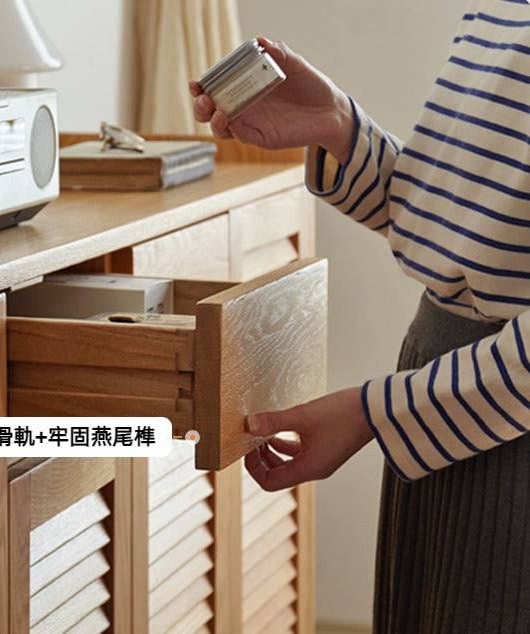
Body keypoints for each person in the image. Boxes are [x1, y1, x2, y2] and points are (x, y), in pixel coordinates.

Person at [191, 1, 528, 632]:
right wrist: (338, 128)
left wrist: (375, 413)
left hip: (502, 432)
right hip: (449, 405)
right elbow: (468, 226)